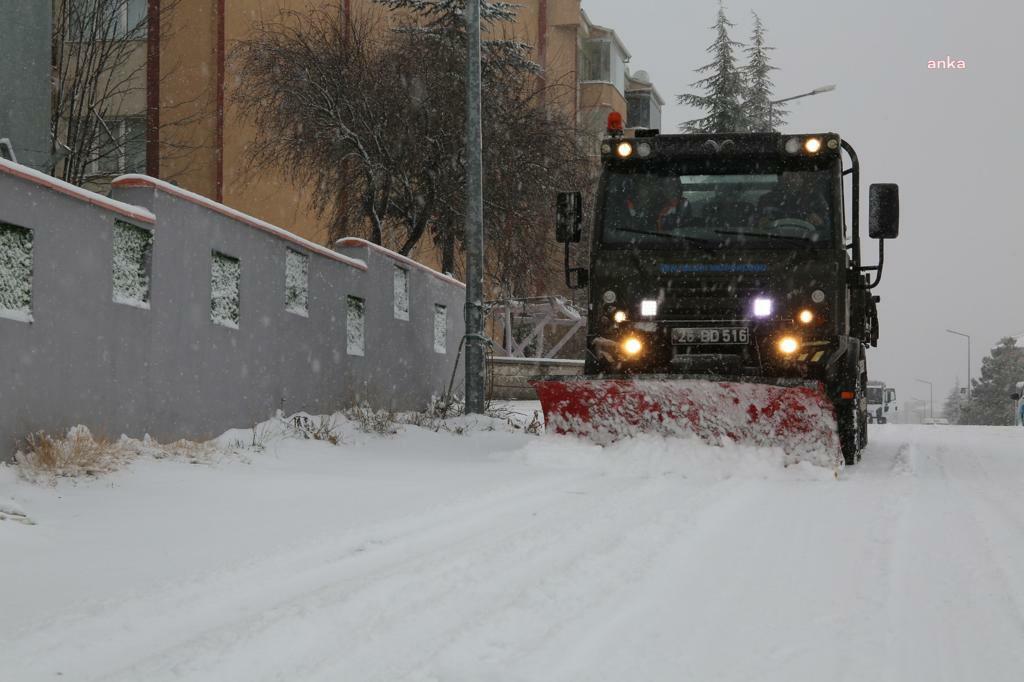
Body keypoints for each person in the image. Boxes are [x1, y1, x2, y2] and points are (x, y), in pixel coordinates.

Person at [756, 172, 830, 227]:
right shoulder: (767, 199)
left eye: (793, 175)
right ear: (780, 178)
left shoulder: (815, 198)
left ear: (802, 179)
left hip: (811, 244)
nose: (790, 180)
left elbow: (828, 225)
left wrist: (819, 221)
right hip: (769, 243)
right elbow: (753, 223)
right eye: (786, 176)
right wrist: (761, 221)